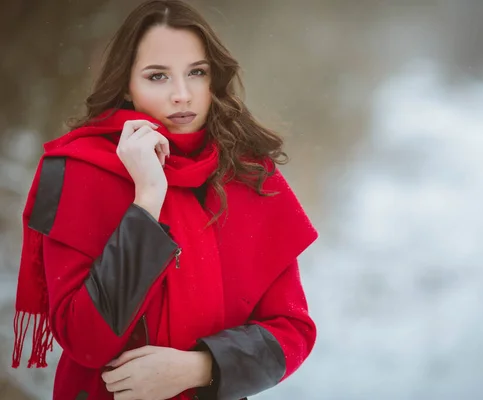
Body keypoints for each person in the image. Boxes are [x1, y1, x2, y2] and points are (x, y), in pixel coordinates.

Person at [12, 1, 318, 399]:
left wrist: (200, 367)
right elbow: (84, 340)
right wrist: (147, 202)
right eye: (157, 76)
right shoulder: (76, 171)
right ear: (126, 84)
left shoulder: (247, 173)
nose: (181, 94)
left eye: (196, 73)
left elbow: (292, 331)